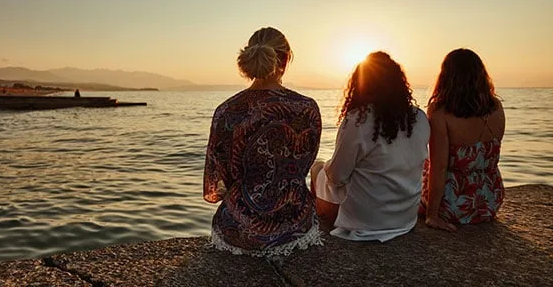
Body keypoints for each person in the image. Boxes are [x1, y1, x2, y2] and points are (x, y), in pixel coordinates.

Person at [203, 27, 323, 256]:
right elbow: (303, 165)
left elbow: (219, 182)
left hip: (239, 230)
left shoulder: (227, 110)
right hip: (298, 226)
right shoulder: (308, 108)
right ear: (286, 59)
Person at [311, 51, 429, 242]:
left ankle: (315, 222)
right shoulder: (420, 118)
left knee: (318, 169)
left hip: (365, 221)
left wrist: (325, 167)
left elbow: (337, 176)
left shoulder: (358, 120)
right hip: (405, 219)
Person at [420, 48, 505, 231]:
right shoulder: (496, 106)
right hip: (489, 201)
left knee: (421, 166)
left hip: (455, 204)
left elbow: (440, 167)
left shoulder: (439, 112)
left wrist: (432, 215)